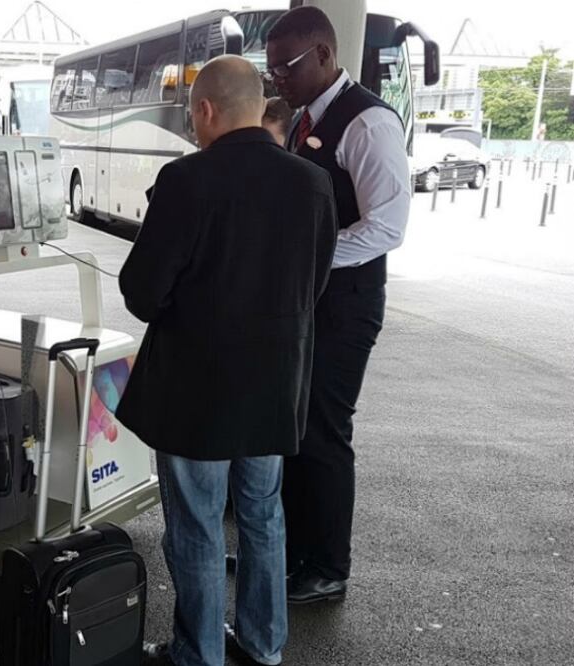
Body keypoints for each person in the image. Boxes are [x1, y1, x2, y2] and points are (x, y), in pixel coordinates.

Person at [116, 55, 337, 666]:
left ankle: (200, 654)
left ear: (206, 110)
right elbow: (315, 284)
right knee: (263, 515)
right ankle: (264, 644)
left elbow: (143, 294)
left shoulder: (186, 180)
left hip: (197, 392)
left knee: (197, 522)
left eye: (193, 115)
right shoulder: (312, 182)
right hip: (275, 386)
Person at [265, 6, 412, 605]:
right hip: (309, 300)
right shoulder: (306, 119)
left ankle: (326, 567)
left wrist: (308, 258)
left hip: (346, 305)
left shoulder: (367, 122)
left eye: (287, 67)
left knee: (324, 431)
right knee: (294, 427)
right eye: (272, 70)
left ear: (324, 54)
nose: (278, 79)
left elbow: (387, 227)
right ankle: (289, 553)